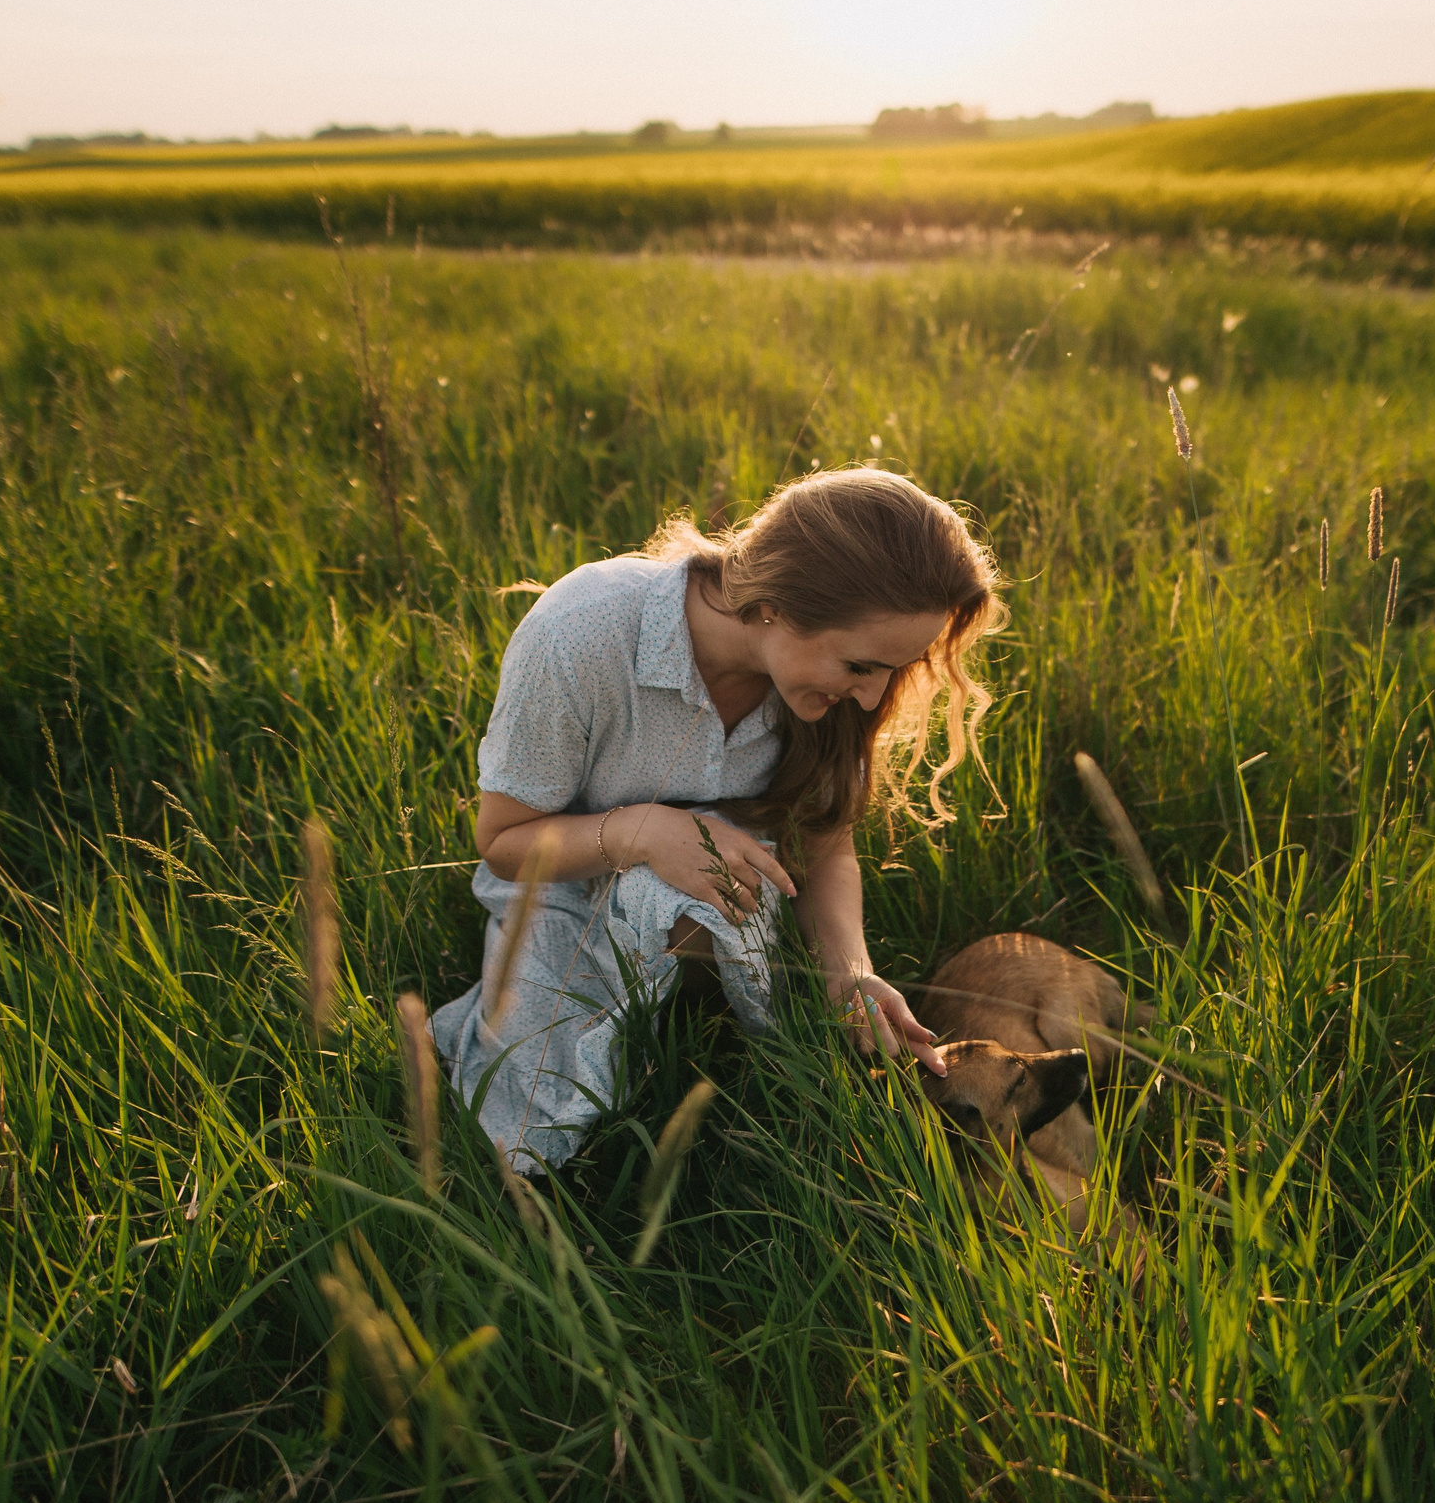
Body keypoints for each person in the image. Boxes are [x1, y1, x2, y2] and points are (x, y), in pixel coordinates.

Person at [427, 467, 1006, 1171]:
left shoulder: (826, 697)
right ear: (777, 603)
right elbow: (503, 843)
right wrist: (640, 833)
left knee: (725, 952)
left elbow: (827, 850)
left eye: (894, 669)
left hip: (722, 893)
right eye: (861, 664)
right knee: (526, 1141)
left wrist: (849, 973)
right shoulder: (583, 632)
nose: (874, 695)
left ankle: (695, 1026)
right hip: (562, 883)